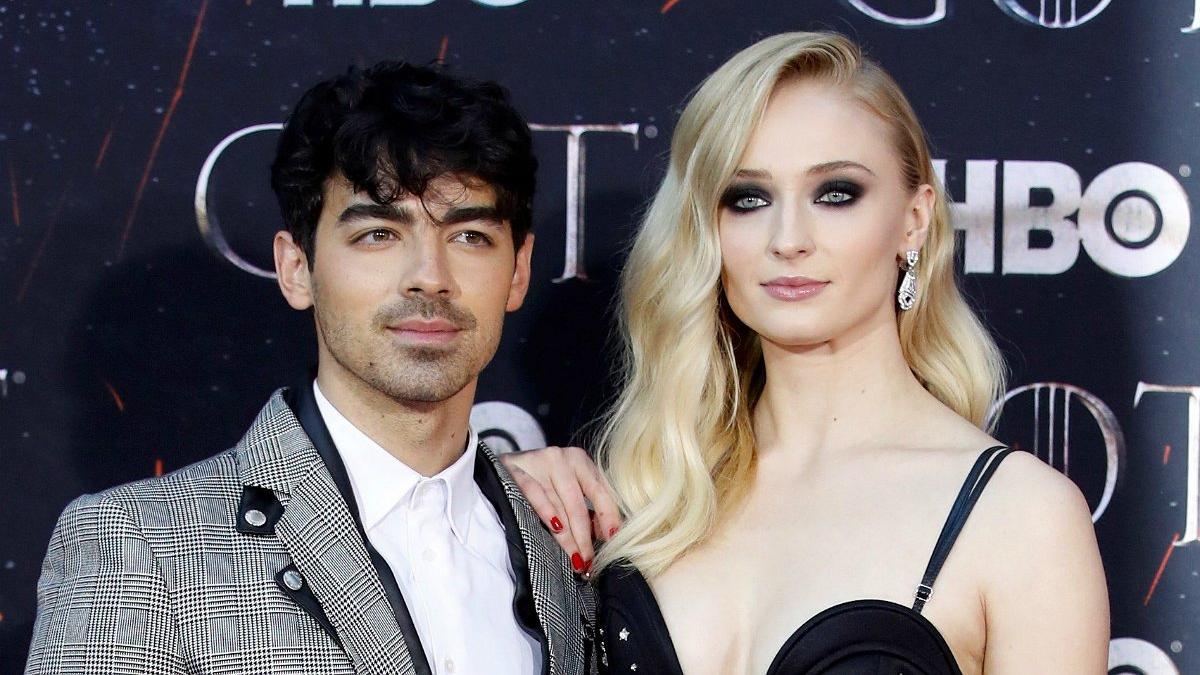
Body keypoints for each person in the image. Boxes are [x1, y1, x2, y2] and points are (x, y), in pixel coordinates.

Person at [515, 32, 1109, 674]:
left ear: (914, 219)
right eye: (747, 199)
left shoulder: (1019, 517)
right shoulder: (646, 494)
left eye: (835, 194)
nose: (788, 238)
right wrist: (499, 499)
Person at [25, 61, 606, 675]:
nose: (430, 276)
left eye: (470, 237)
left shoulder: (569, 543)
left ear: (518, 270)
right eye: (379, 234)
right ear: (296, 267)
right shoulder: (136, 549)